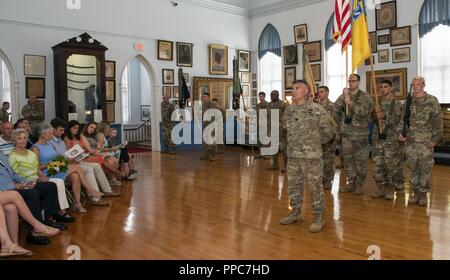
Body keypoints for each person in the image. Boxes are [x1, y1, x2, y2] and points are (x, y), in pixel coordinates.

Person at [280, 80, 336, 233]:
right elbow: (285, 129)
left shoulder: (316, 109)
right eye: (293, 88)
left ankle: (319, 217)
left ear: (306, 91)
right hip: (293, 155)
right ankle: (295, 212)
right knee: (293, 186)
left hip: (311, 157)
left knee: (315, 187)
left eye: (298, 88)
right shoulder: (288, 111)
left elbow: (330, 130)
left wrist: (315, 143)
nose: (294, 91)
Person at [32, 123, 103, 213]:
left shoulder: (49, 144)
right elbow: (36, 167)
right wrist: (50, 163)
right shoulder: (35, 148)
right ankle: (90, 190)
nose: (51, 135)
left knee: (75, 176)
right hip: (47, 171)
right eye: (49, 134)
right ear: (42, 134)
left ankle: (78, 204)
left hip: (55, 166)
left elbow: (56, 158)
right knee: (76, 167)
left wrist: (62, 160)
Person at [0, 150, 61, 245]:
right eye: (20, 138)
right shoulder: (12, 155)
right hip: (5, 189)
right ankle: (34, 232)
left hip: (16, 184)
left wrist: (25, 182)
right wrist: (14, 186)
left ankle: (48, 220)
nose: (23, 140)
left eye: (25, 138)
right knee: (32, 194)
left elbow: (13, 173)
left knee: (50, 186)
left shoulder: (1, 153)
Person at [399, 76, 443, 206]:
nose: (416, 87)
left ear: (424, 85)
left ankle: (423, 194)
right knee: (412, 168)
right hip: (410, 142)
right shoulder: (408, 102)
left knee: (425, 169)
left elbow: (438, 122)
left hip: (425, 142)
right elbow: (403, 120)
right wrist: (401, 134)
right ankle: (415, 192)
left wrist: (435, 140)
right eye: (414, 84)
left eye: (418, 84)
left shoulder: (431, 101)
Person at [50, 118, 117, 200]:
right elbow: (65, 155)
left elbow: (68, 154)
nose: (76, 130)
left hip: (75, 160)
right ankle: (94, 196)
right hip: (67, 164)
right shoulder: (64, 139)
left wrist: (82, 155)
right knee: (88, 169)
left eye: (78, 128)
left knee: (96, 166)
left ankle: (107, 190)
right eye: (74, 128)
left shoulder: (62, 140)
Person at [334, 74, 374, 195]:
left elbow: (363, 112)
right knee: (348, 160)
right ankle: (351, 182)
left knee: (360, 161)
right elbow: (335, 108)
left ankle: (360, 184)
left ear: (359, 82)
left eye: (353, 81)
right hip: (346, 134)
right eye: (349, 81)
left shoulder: (365, 97)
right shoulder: (345, 95)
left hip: (360, 135)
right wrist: (343, 97)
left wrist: (349, 102)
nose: (351, 83)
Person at [371, 80, 404, 200]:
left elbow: (398, 120)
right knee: (378, 164)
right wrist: (375, 115)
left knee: (390, 165)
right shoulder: (377, 102)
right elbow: (372, 120)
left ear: (391, 88)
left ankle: (390, 187)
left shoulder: (396, 103)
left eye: (385, 87)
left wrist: (384, 115)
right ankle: (380, 187)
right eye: (381, 87)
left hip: (391, 139)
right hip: (378, 138)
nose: (383, 89)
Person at [317, 86, 336, 190]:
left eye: (322, 92)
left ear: (327, 93)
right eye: (319, 92)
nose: (320, 94)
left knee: (328, 161)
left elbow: (335, 123)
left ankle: (328, 180)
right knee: (318, 160)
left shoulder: (333, 107)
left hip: (329, 138)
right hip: (318, 138)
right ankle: (320, 180)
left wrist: (333, 137)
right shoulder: (315, 107)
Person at [267, 90, 288, 172]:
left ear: (278, 95)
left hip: (281, 130)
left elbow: (287, 116)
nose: (272, 96)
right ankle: (275, 164)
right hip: (272, 129)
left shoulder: (283, 104)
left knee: (283, 148)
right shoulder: (269, 104)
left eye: (273, 95)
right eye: (271, 95)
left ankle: (286, 165)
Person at [200, 92, 220, 162]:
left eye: (204, 97)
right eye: (202, 97)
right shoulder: (203, 105)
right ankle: (207, 155)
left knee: (212, 141)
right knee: (205, 141)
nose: (203, 98)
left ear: (208, 97)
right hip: (205, 125)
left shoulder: (214, 105)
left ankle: (214, 156)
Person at [254, 92, 270, 159]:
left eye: (261, 96)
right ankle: (261, 153)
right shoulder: (257, 106)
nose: (260, 98)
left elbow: (269, 115)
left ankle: (266, 154)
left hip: (266, 125)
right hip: (259, 125)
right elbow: (254, 113)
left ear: (264, 97)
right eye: (259, 96)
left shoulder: (268, 105)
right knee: (259, 140)